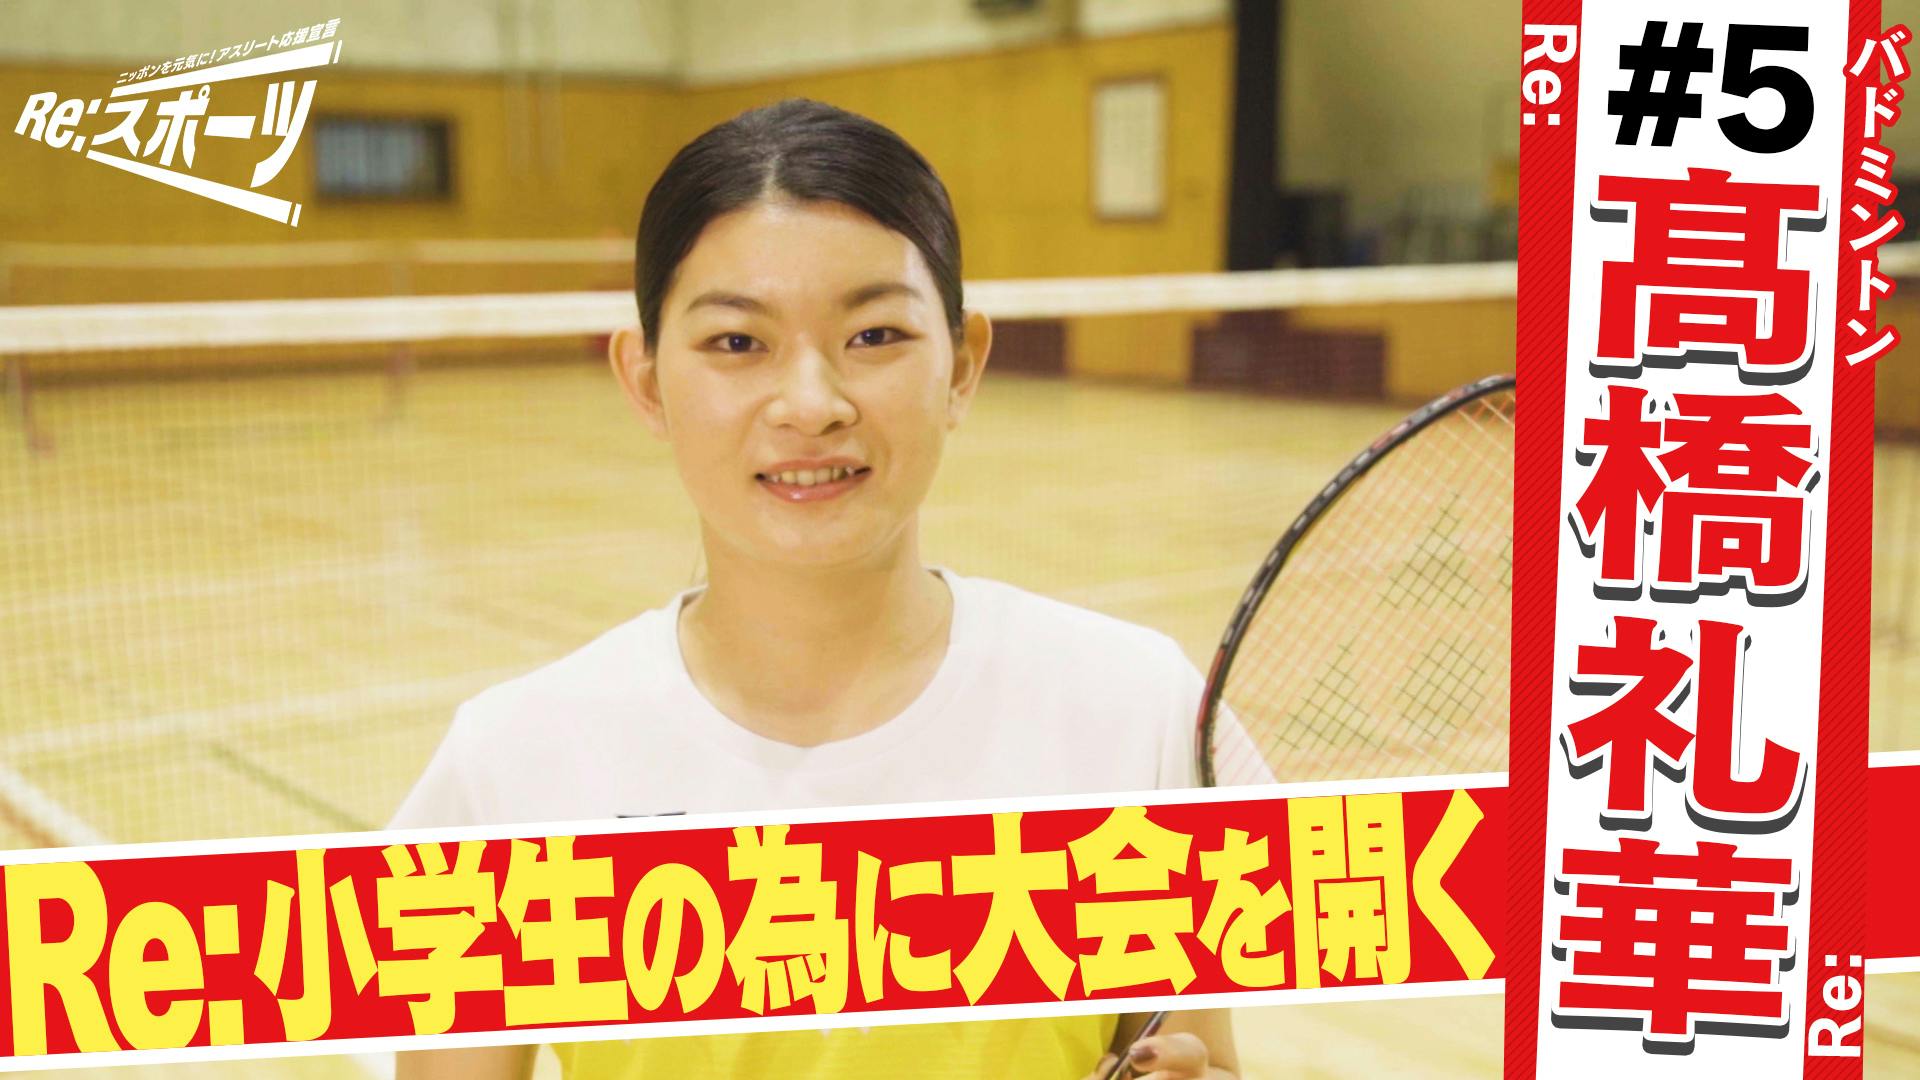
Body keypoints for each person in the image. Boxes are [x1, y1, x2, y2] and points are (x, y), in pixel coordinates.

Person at [392, 97, 1240, 1080]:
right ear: (646, 380)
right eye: (736, 343)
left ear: (963, 364)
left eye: (874, 335)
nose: (810, 405)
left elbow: (1194, 1054)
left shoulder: (1136, 710)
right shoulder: (513, 763)